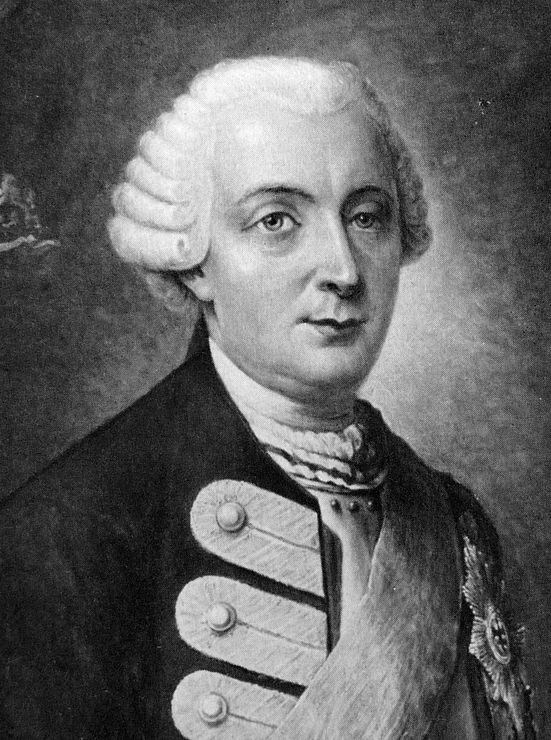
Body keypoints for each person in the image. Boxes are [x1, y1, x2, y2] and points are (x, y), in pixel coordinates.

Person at [0, 56, 536, 739]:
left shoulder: (453, 525)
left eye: (366, 217)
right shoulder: (66, 533)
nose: (343, 270)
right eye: (277, 221)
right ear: (194, 260)